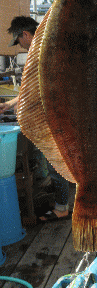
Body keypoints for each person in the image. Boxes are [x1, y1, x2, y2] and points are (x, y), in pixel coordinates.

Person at [0, 16, 70, 222]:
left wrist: (15, 107)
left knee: (56, 164)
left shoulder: (43, 51)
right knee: (56, 164)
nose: (20, 46)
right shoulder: (49, 44)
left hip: (55, 117)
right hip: (58, 114)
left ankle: (62, 208)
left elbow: (36, 91)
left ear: (26, 35)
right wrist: (8, 105)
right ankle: (61, 202)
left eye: (19, 41)